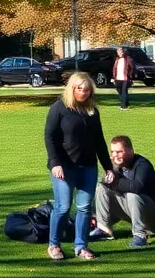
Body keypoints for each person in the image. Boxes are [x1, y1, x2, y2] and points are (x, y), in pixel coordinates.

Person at [44, 71, 112, 260]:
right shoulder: (59, 108)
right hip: (64, 166)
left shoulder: (92, 111)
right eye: (79, 88)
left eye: (87, 89)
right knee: (63, 207)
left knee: (84, 207)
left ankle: (81, 246)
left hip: (88, 166)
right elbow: (50, 137)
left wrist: (108, 166)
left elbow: (99, 140)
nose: (83, 92)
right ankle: (54, 245)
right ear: (72, 89)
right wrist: (55, 163)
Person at [90, 135, 155, 248]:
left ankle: (140, 235)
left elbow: (137, 187)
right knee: (102, 188)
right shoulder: (116, 166)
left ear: (131, 151)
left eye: (119, 152)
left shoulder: (142, 165)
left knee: (132, 195)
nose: (114, 155)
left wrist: (113, 181)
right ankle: (104, 229)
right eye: (112, 152)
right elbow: (108, 186)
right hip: (134, 212)